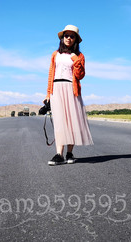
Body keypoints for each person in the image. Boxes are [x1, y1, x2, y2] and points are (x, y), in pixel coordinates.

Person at [45, 24, 93, 165]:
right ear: (62, 38)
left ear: (75, 40)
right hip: (56, 89)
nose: (69, 38)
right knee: (59, 122)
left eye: (72, 36)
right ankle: (59, 154)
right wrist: (48, 94)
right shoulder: (55, 54)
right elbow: (51, 74)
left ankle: (69, 153)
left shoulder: (79, 56)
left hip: (71, 89)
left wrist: (75, 59)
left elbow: (80, 75)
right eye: (66, 35)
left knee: (72, 122)